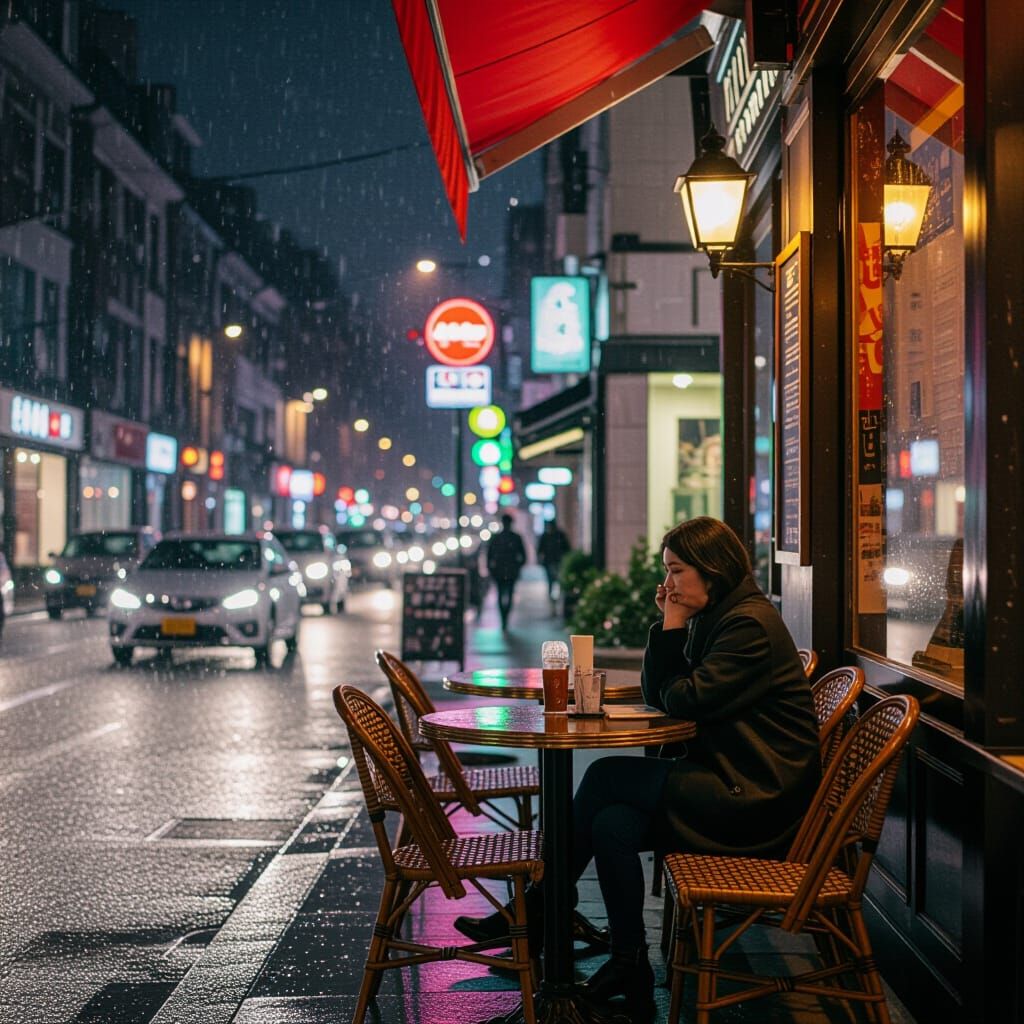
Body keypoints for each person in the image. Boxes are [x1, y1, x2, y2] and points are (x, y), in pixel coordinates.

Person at [457, 517, 821, 1019]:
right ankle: (629, 962)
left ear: (711, 569)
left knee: (605, 775)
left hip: (754, 796)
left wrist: (672, 628)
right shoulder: (723, 614)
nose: (667, 585)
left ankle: (539, 911)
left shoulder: (747, 624)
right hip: (727, 779)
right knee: (611, 824)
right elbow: (660, 693)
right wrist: (669, 625)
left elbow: (683, 701)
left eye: (675, 571)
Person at [486, 513, 526, 630]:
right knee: (508, 594)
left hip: (500, 571)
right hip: (509, 571)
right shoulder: (515, 538)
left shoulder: (497, 538)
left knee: (501, 595)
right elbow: (523, 556)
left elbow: (489, 556)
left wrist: (491, 569)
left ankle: (504, 618)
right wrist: (518, 566)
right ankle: (505, 617)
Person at [536, 518, 571, 603]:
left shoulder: (554, 536)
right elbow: (540, 550)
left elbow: (540, 551)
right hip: (552, 562)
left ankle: (555, 601)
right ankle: (553, 602)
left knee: (555, 582)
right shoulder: (551, 536)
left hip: (556, 562)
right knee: (552, 582)